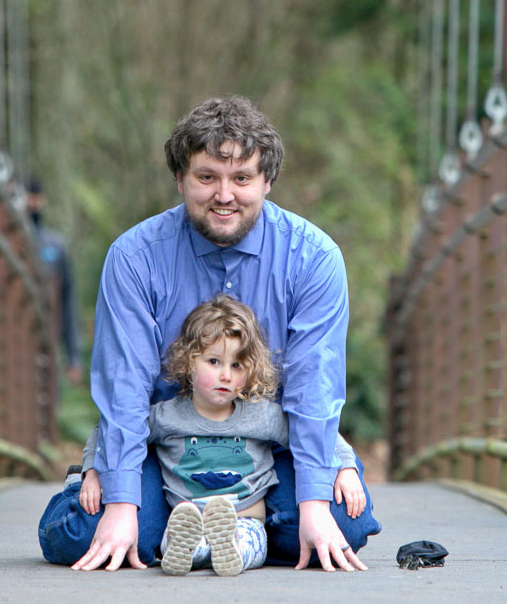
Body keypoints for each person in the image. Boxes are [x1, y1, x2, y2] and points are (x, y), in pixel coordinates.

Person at [37, 95, 380, 573]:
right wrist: (118, 496)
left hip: (267, 451)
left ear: (267, 182)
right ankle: (122, 497)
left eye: (241, 178)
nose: (224, 195)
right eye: (207, 177)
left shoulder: (313, 258)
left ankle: (222, 533)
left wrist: (318, 497)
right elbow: (126, 384)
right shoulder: (135, 257)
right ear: (180, 179)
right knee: (88, 539)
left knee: (343, 527)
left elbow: (312, 386)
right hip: (166, 451)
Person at [77, 295, 367, 576]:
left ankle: (229, 552)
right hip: (186, 519)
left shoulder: (261, 415)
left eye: (236, 365)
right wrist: (92, 470)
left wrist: (345, 466)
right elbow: (113, 429)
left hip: (245, 521)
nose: (226, 375)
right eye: (214, 362)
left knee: (245, 543)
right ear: (189, 362)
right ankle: (185, 551)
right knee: (178, 540)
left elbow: (314, 432)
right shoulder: (166, 417)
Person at [26, 178, 82, 383]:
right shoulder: (9, 241)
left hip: (48, 344)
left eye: (37, 199)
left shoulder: (56, 246)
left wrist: (73, 357)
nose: (34, 204)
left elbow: (68, 300)